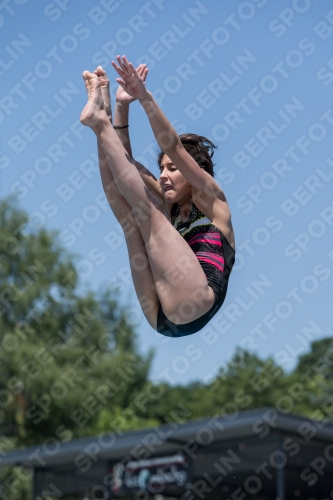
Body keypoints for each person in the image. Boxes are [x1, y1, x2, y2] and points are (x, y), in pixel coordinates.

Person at [80, 56, 235, 337]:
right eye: (161, 168)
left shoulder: (213, 200)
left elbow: (173, 146)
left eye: (173, 169)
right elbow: (124, 163)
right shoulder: (171, 206)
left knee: (147, 213)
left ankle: (100, 123)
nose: (163, 175)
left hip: (196, 301)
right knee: (129, 216)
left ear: (195, 172)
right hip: (160, 315)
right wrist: (120, 106)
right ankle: (99, 116)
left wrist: (145, 98)